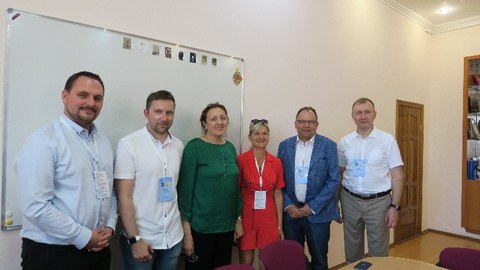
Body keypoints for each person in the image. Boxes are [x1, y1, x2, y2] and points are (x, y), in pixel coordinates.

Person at [14, 71, 117, 270]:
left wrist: (110, 227)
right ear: (65, 96)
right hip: (52, 253)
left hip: (98, 250)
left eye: (97, 98)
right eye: (83, 95)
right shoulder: (43, 141)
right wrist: (85, 237)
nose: (91, 103)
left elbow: (109, 192)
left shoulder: (102, 143)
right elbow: (36, 205)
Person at [114, 90, 184, 270]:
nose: (164, 117)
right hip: (143, 239)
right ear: (146, 113)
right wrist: (134, 240)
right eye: (158, 112)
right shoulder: (129, 144)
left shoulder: (178, 145)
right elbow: (124, 198)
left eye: (169, 112)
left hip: (173, 238)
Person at [178, 102, 243, 270]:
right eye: (213, 119)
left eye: (223, 118)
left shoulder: (230, 148)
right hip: (201, 228)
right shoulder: (194, 147)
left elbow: (235, 189)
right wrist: (187, 232)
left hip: (226, 227)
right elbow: (185, 192)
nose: (219, 122)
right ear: (205, 123)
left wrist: (238, 220)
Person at [338, 97, 404, 263]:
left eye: (367, 112)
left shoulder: (387, 140)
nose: (363, 116)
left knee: (379, 252)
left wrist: (394, 207)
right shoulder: (344, 142)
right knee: (352, 249)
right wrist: (336, 202)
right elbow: (339, 174)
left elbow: (397, 175)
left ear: (375, 114)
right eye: (358, 113)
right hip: (350, 200)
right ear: (352, 115)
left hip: (379, 203)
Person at [277, 106, 340, 270]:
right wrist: (288, 205)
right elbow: (279, 180)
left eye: (311, 122)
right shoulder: (284, 146)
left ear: (317, 124)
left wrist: (312, 207)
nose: (306, 125)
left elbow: (334, 180)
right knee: (294, 259)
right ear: (295, 124)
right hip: (291, 215)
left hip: (318, 214)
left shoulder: (329, 145)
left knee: (319, 259)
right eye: (302, 121)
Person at [237, 119, 285, 265]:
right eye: (257, 133)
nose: (261, 137)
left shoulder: (276, 162)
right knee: (247, 260)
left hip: (269, 217)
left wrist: (279, 225)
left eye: (265, 133)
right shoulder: (241, 160)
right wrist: (237, 220)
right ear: (250, 136)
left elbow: (278, 194)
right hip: (247, 216)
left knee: (268, 260)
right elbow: (235, 193)